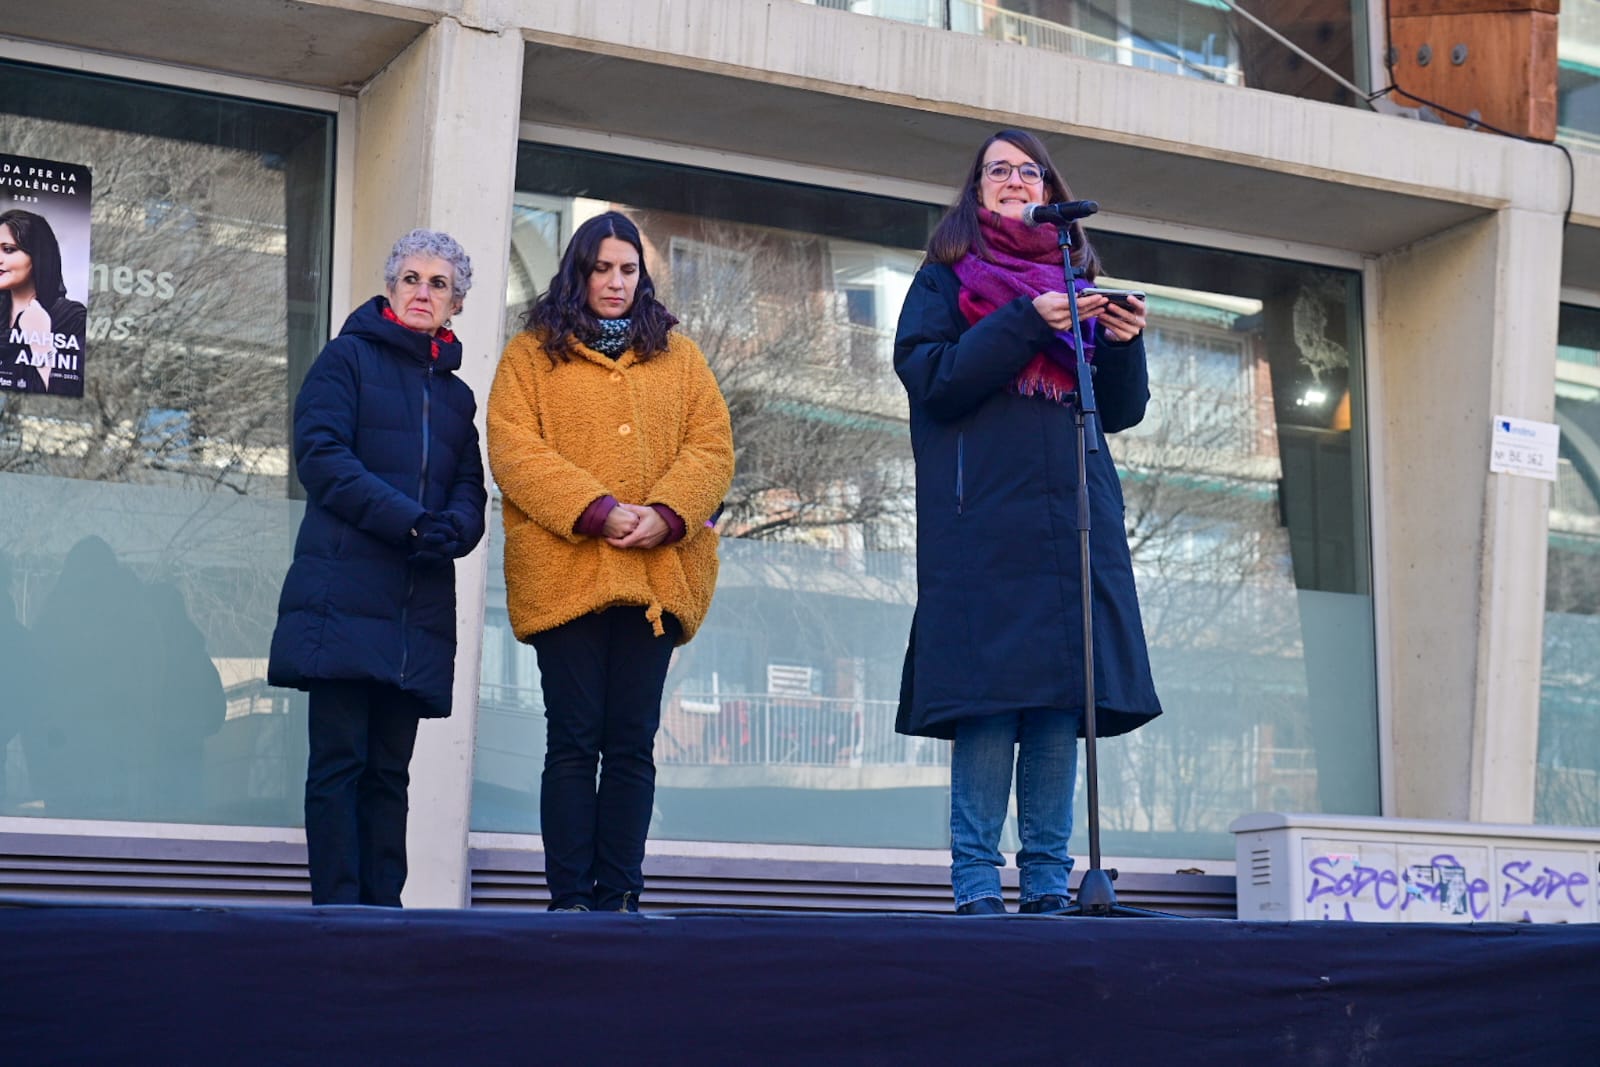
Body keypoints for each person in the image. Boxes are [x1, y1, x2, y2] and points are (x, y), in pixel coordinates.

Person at [893, 130, 1163, 916]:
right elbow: (932, 379)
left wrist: (1122, 344)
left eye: (1028, 170)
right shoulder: (944, 279)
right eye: (998, 171)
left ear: (1050, 188)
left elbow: (1119, 411)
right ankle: (976, 883)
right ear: (976, 193)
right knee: (988, 697)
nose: (1015, 181)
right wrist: (1025, 321)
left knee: (1057, 696)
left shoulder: (1076, 276)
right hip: (980, 522)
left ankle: (1049, 880)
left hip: (1071, 514)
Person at [487, 211, 733, 913]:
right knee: (572, 738)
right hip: (567, 575)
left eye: (628, 270)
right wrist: (596, 508)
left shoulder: (678, 357)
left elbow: (712, 446)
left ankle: (619, 891)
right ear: (579, 272)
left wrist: (666, 511)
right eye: (602, 269)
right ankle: (569, 898)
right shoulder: (531, 355)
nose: (616, 282)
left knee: (632, 742)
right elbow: (513, 450)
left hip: (653, 580)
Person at [268, 229, 487, 906]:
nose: (425, 291)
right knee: (340, 764)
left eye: (440, 283)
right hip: (341, 597)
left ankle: (383, 915)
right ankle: (338, 911)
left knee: (390, 773)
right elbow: (322, 459)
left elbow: (470, 490)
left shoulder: (455, 398)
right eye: (413, 278)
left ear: (457, 305)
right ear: (391, 288)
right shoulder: (346, 360)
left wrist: (453, 527)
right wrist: (410, 520)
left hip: (411, 610)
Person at [0, 208, 87, 395]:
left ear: (38, 256)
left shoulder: (71, 318)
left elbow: (67, 396)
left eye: (8, 250)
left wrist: (41, 341)